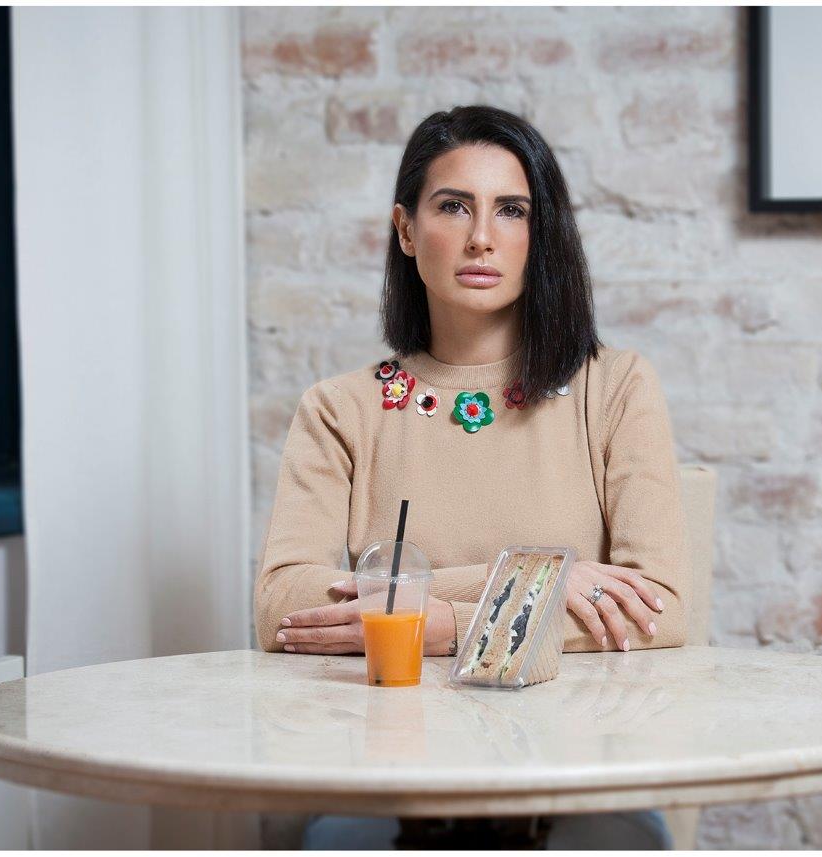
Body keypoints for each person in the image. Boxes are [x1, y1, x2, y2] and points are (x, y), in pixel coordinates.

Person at [253, 105, 690, 850]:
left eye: (512, 211)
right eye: (454, 206)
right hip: (387, 769)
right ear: (405, 229)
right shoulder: (340, 409)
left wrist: (444, 624)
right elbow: (283, 609)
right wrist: (528, 581)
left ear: (540, 234)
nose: (482, 236)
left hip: (576, 767)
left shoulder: (614, 388)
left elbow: (660, 609)